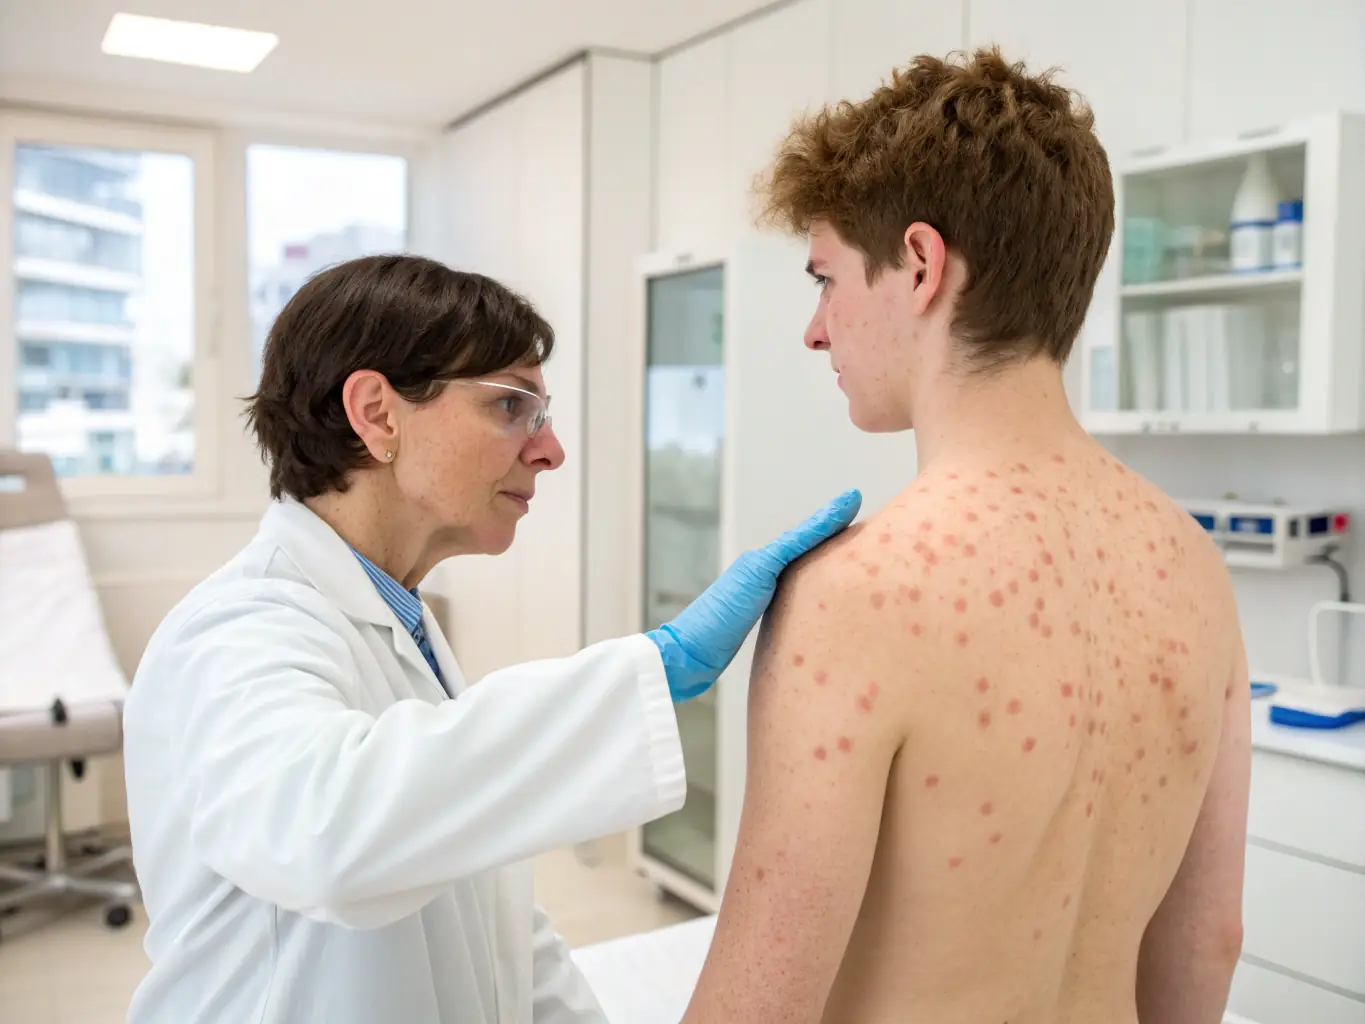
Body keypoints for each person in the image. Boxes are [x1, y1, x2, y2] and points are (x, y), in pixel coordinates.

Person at [120, 254, 861, 1024]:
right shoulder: (236, 633)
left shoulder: (402, 625)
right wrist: (655, 665)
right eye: (511, 407)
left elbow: (497, 926)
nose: (549, 450)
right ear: (377, 415)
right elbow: (328, 836)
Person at [681, 48, 1250, 1024]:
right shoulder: (1194, 565)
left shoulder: (853, 598)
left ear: (919, 263)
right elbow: (1208, 939)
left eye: (825, 278)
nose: (816, 330)